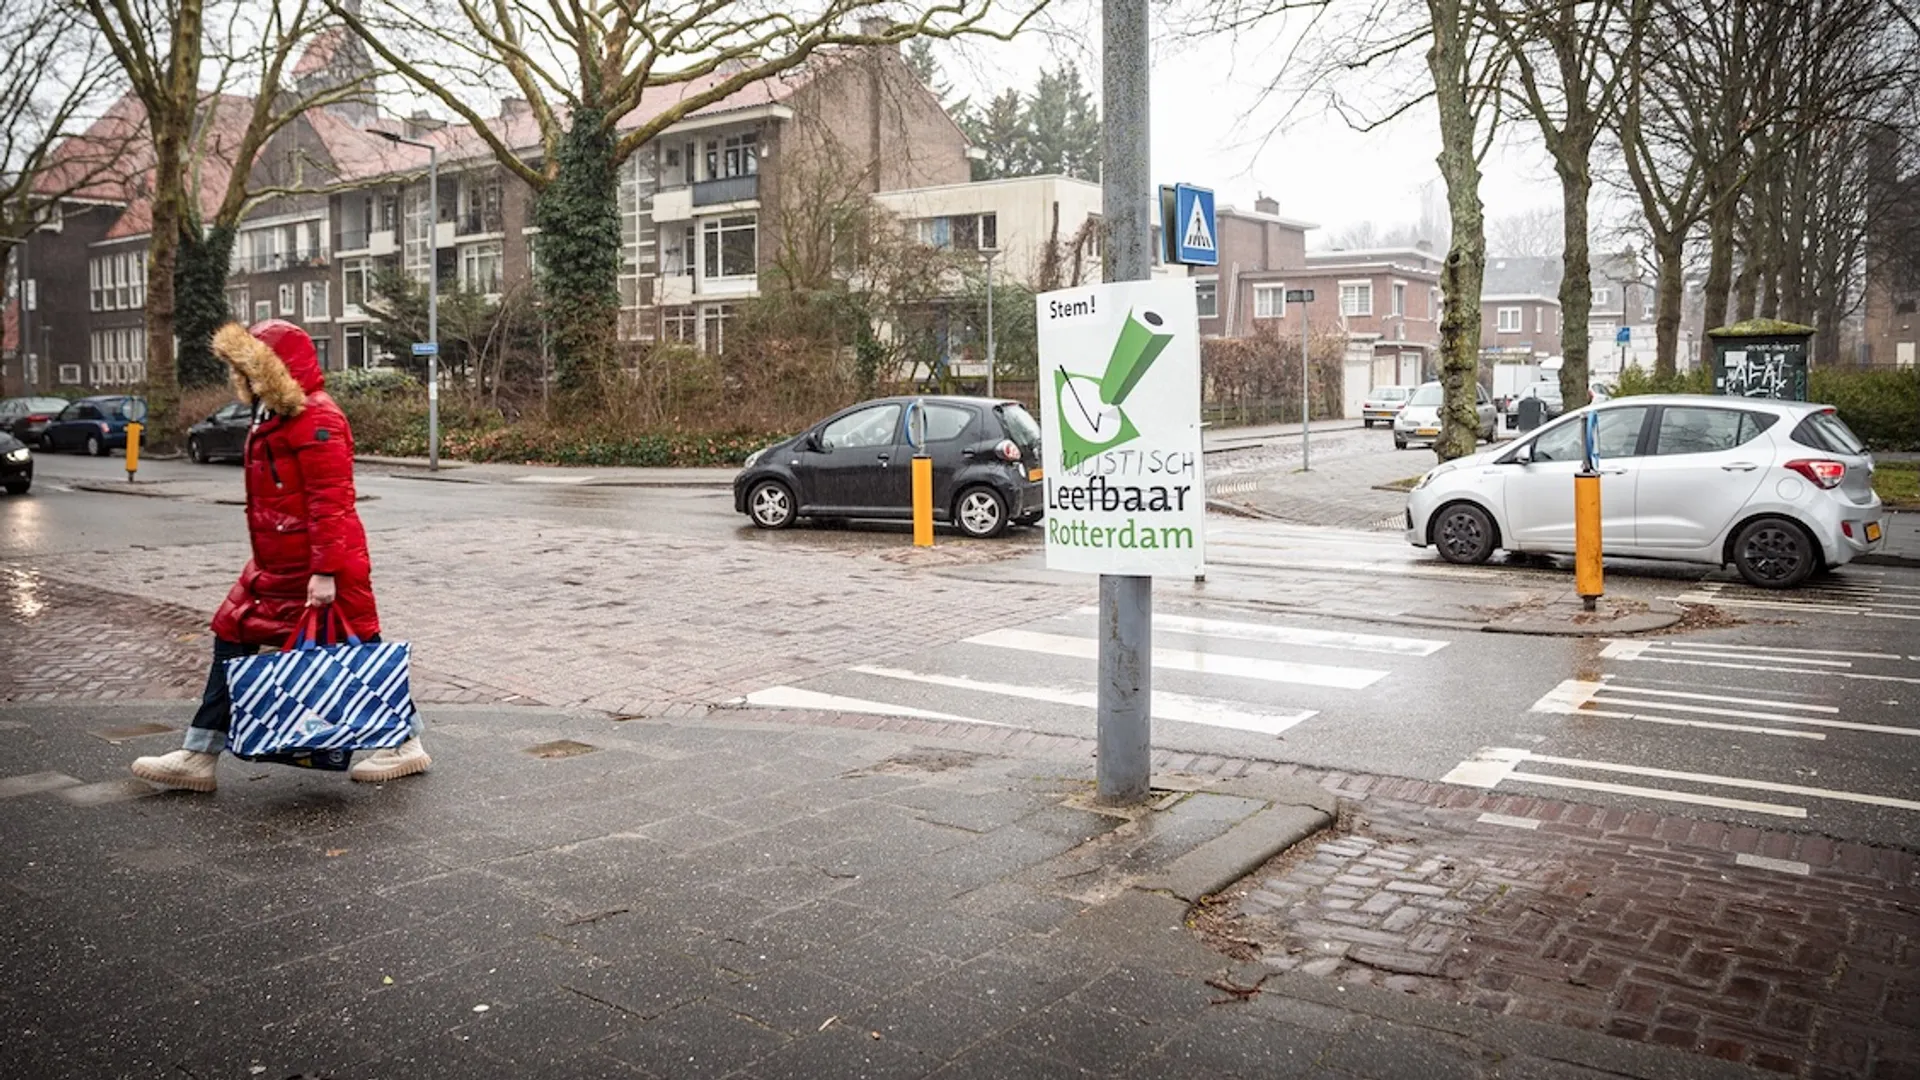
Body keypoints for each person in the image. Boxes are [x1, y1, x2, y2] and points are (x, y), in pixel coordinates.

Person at [131, 320, 428, 791]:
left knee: (358, 648)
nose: (244, 377)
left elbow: (331, 500)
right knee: (233, 633)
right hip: (277, 565)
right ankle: (199, 754)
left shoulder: (317, 417)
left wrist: (325, 571)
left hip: (317, 566)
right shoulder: (272, 414)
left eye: (252, 366)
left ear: (275, 368)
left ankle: (406, 743)